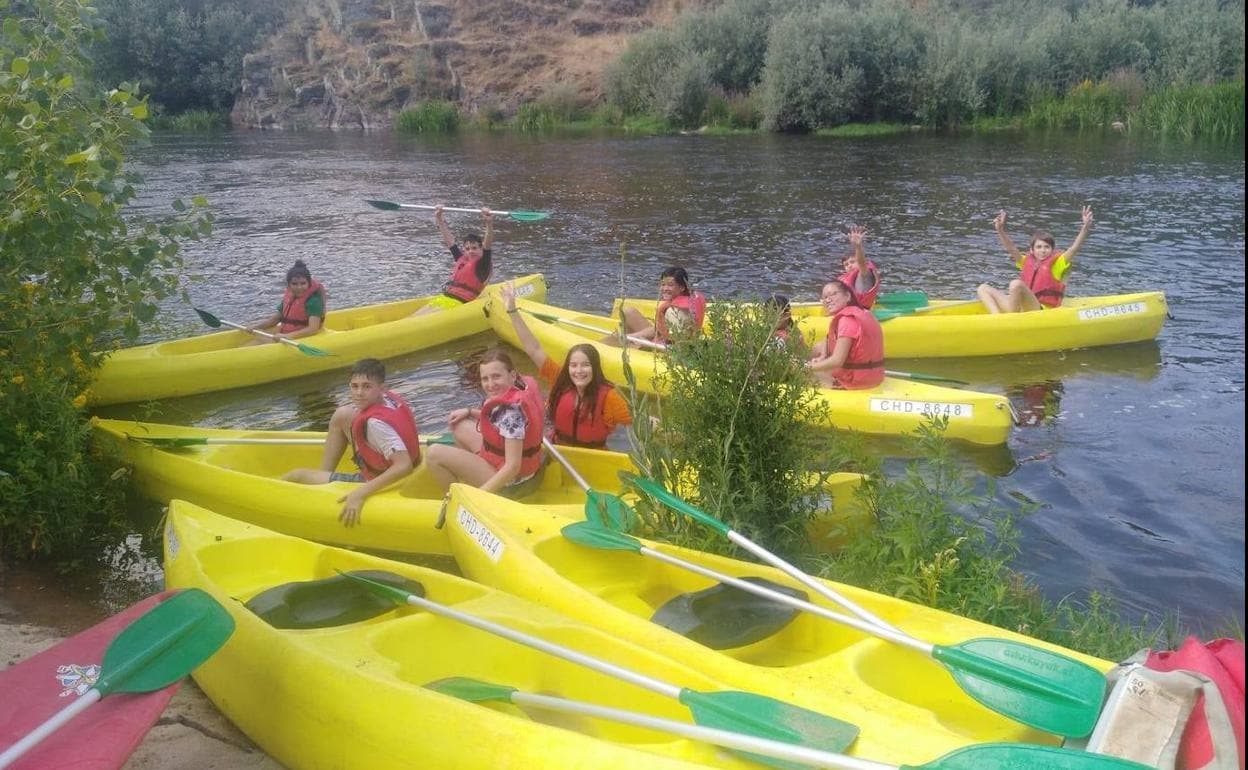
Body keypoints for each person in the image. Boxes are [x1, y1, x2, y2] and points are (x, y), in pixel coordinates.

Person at [281, 358, 422, 527]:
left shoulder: (375, 424)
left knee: (296, 475)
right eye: (354, 386)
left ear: (381, 388)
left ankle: (319, 486)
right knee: (342, 415)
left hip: (386, 478)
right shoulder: (391, 399)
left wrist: (360, 493)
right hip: (410, 461)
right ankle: (323, 476)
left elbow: (403, 465)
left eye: (366, 386)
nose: (359, 393)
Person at [500, 282, 632, 448]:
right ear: (568, 368)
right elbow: (533, 348)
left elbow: (640, 420)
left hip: (592, 456)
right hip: (558, 449)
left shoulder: (610, 397)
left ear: (595, 368)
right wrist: (512, 310)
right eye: (573, 365)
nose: (578, 371)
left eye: (585, 365)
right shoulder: (559, 379)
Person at [424, 349, 546, 492]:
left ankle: (456, 501)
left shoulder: (512, 413)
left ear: (512, 375)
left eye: (496, 377)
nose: (490, 384)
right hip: (508, 463)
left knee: (433, 454)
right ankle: (471, 474)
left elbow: (513, 467)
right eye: (485, 379)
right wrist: (469, 412)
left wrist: (479, 495)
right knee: (459, 425)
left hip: (513, 481)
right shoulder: (520, 388)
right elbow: (499, 422)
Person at [977, 206, 1094, 314]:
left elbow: (1074, 248)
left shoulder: (1058, 263)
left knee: (1016, 284)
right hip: (1023, 307)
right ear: (1031, 250)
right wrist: (1000, 230)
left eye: (1047, 247)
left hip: (1041, 309)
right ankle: (996, 318)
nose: (1043, 250)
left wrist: (1085, 228)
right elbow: (1011, 248)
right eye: (1039, 247)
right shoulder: (1025, 261)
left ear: (1052, 250)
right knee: (983, 288)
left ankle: (1010, 319)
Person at [413, 205, 494, 315]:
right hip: (444, 298)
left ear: (481, 249)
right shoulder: (462, 259)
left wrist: (489, 223)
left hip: (459, 303)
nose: (471, 251)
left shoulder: (482, 265)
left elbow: (488, 244)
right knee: (413, 316)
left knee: (419, 319)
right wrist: (439, 218)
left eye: (474, 248)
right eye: (467, 249)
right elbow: (449, 240)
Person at [806, 279, 885, 389]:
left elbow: (837, 361)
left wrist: (807, 367)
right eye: (824, 297)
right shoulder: (862, 312)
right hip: (872, 377)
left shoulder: (847, 320)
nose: (828, 300)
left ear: (848, 296)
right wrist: (823, 355)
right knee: (819, 348)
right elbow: (829, 338)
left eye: (833, 294)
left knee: (798, 375)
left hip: (854, 382)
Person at [617, 266, 707, 346]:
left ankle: (615, 347)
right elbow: (660, 330)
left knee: (616, 338)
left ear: (682, 287)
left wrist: (646, 344)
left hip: (665, 350)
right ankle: (625, 338)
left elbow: (678, 345)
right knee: (628, 312)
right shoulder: (689, 299)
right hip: (664, 339)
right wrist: (634, 336)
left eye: (670, 285)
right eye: (663, 284)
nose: (665, 288)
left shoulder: (675, 311)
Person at [246, 259, 326, 344]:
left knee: (259, 341)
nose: (299, 287)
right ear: (288, 285)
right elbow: (276, 319)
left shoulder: (313, 302)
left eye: (303, 283)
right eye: (294, 284)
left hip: (303, 338)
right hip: (286, 334)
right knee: (258, 339)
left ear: (309, 284)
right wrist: (257, 326)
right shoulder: (289, 297)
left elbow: (313, 329)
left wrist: (289, 336)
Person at [835, 225, 880, 308]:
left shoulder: (863, 274)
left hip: (860, 311)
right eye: (846, 265)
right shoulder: (846, 278)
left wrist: (858, 246)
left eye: (852, 262)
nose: (849, 266)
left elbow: (861, 263)